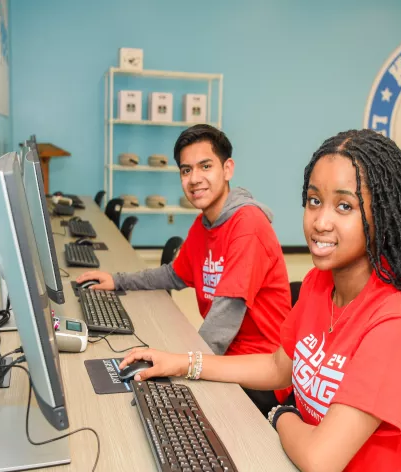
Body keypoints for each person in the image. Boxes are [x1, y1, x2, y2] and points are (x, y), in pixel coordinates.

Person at [118, 129, 401, 472]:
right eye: (314, 201)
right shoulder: (321, 283)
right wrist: (183, 363)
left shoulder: (394, 320)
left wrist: (280, 415)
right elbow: (281, 367)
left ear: (381, 214)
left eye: (344, 206)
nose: (320, 222)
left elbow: (319, 459)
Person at [77, 125, 291, 414]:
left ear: (227, 169)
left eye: (205, 166)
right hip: (222, 357)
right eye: (186, 170)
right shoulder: (204, 225)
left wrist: (182, 365)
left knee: (158, 406)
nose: (195, 178)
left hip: (259, 373)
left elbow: (226, 315)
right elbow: (173, 274)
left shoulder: (248, 225)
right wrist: (117, 281)